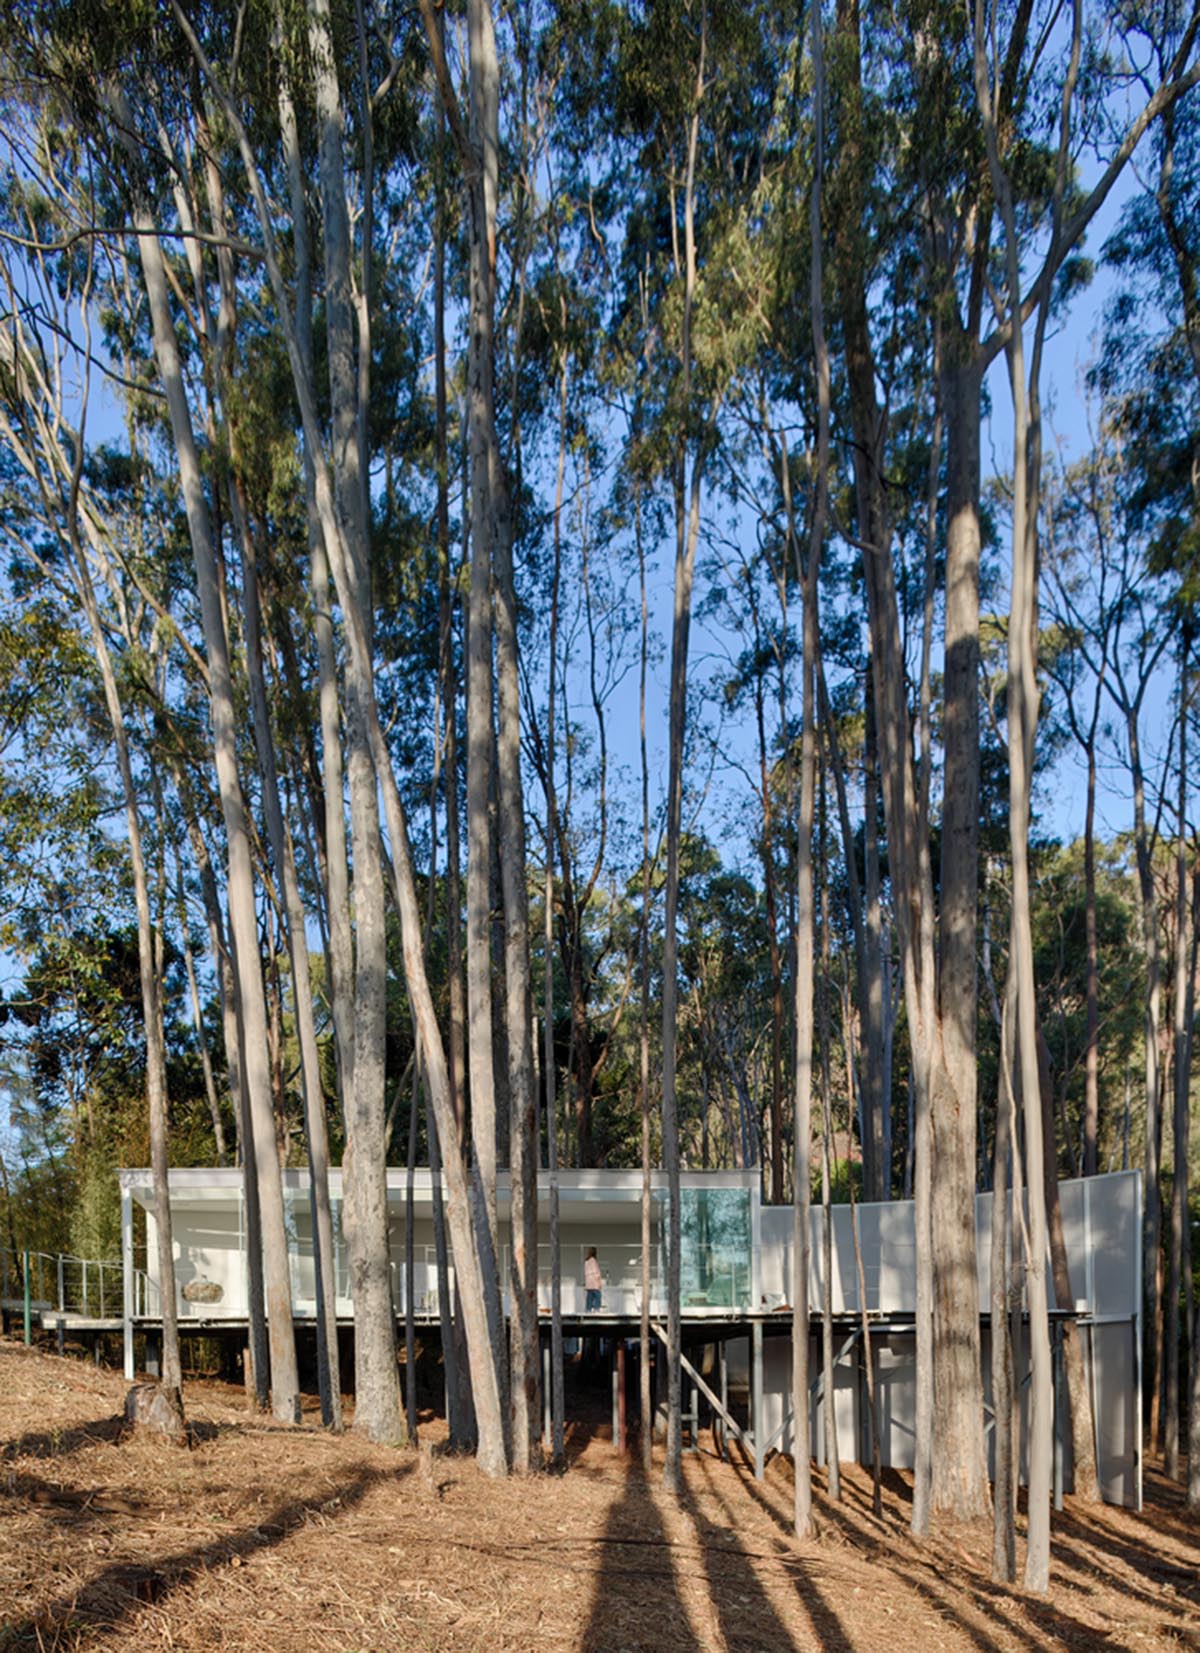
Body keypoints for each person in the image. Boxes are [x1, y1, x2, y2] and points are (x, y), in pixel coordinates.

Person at [584, 1246, 602, 1312]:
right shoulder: (593, 1260)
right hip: (594, 1281)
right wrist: (599, 1282)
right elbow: (596, 1272)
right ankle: (596, 1308)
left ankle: (588, 1309)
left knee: (590, 1296)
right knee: (598, 1295)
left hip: (588, 1282)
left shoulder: (586, 1261)